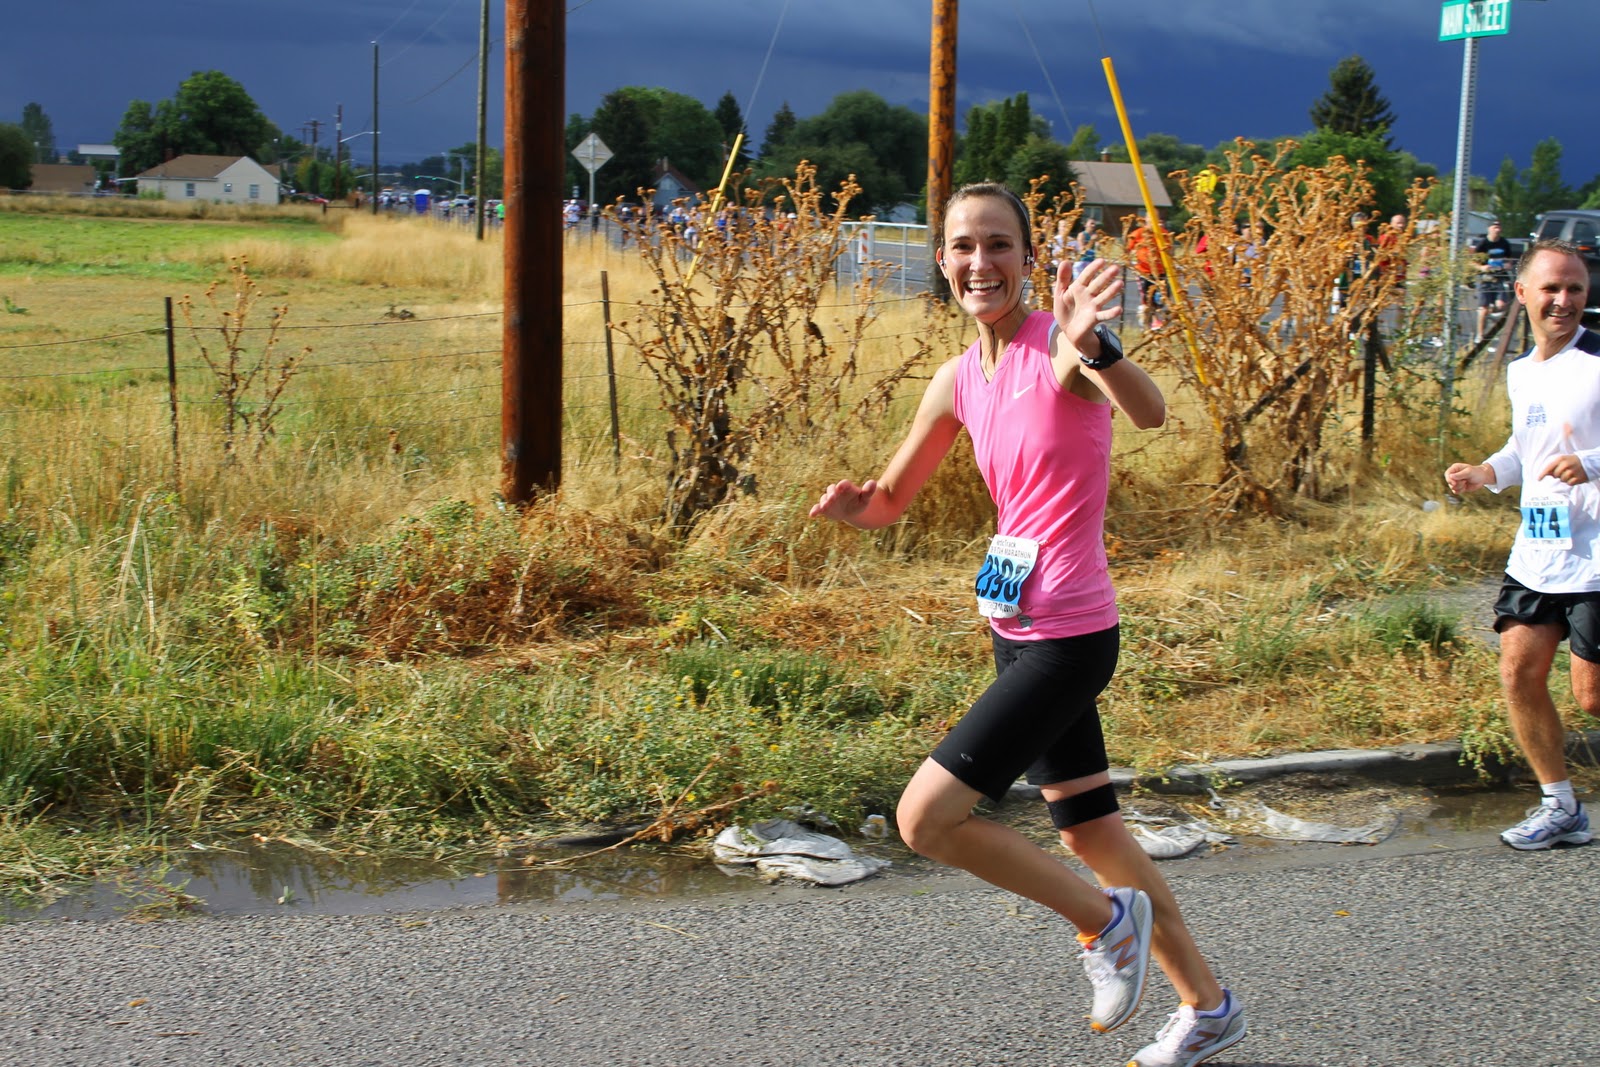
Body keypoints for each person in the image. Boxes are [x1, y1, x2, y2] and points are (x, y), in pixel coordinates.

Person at [810, 182, 1246, 1066]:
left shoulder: (1060, 348)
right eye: (965, 247)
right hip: (1013, 625)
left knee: (926, 819)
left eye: (1000, 245)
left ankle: (1100, 923)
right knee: (1091, 830)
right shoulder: (957, 378)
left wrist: (1100, 344)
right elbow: (893, 499)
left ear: (1028, 256)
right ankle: (1208, 1008)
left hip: (1070, 637)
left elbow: (1150, 411)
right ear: (942, 262)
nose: (982, 263)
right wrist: (858, 508)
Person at [1444, 238, 1599, 851]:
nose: (1564, 301)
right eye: (1552, 289)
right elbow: (1523, 452)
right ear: (1522, 293)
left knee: (1591, 696)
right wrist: (1485, 472)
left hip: (1596, 556)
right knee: (1518, 673)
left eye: (1576, 289)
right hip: (1540, 546)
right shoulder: (1520, 371)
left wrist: (1590, 463)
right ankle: (1560, 807)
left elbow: (1578, 454)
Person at [1470, 219, 1515, 344]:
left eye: (1499, 227)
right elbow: (1472, 262)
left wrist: (1507, 265)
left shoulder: (1504, 243)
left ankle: (1491, 314)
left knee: (1501, 305)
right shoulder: (1483, 244)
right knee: (1483, 308)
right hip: (1484, 278)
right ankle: (1480, 335)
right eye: (1495, 227)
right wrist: (1482, 267)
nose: (1497, 229)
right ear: (1489, 229)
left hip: (1499, 276)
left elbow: (1509, 259)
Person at [1126, 215, 1167, 329]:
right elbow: (1128, 249)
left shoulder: (1163, 233)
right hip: (1144, 271)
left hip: (1160, 271)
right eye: (1153, 219)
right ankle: (1151, 321)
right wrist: (1130, 261)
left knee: (1160, 297)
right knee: (1147, 297)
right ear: (1147, 220)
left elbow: (1169, 250)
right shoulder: (1138, 233)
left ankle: (1151, 320)